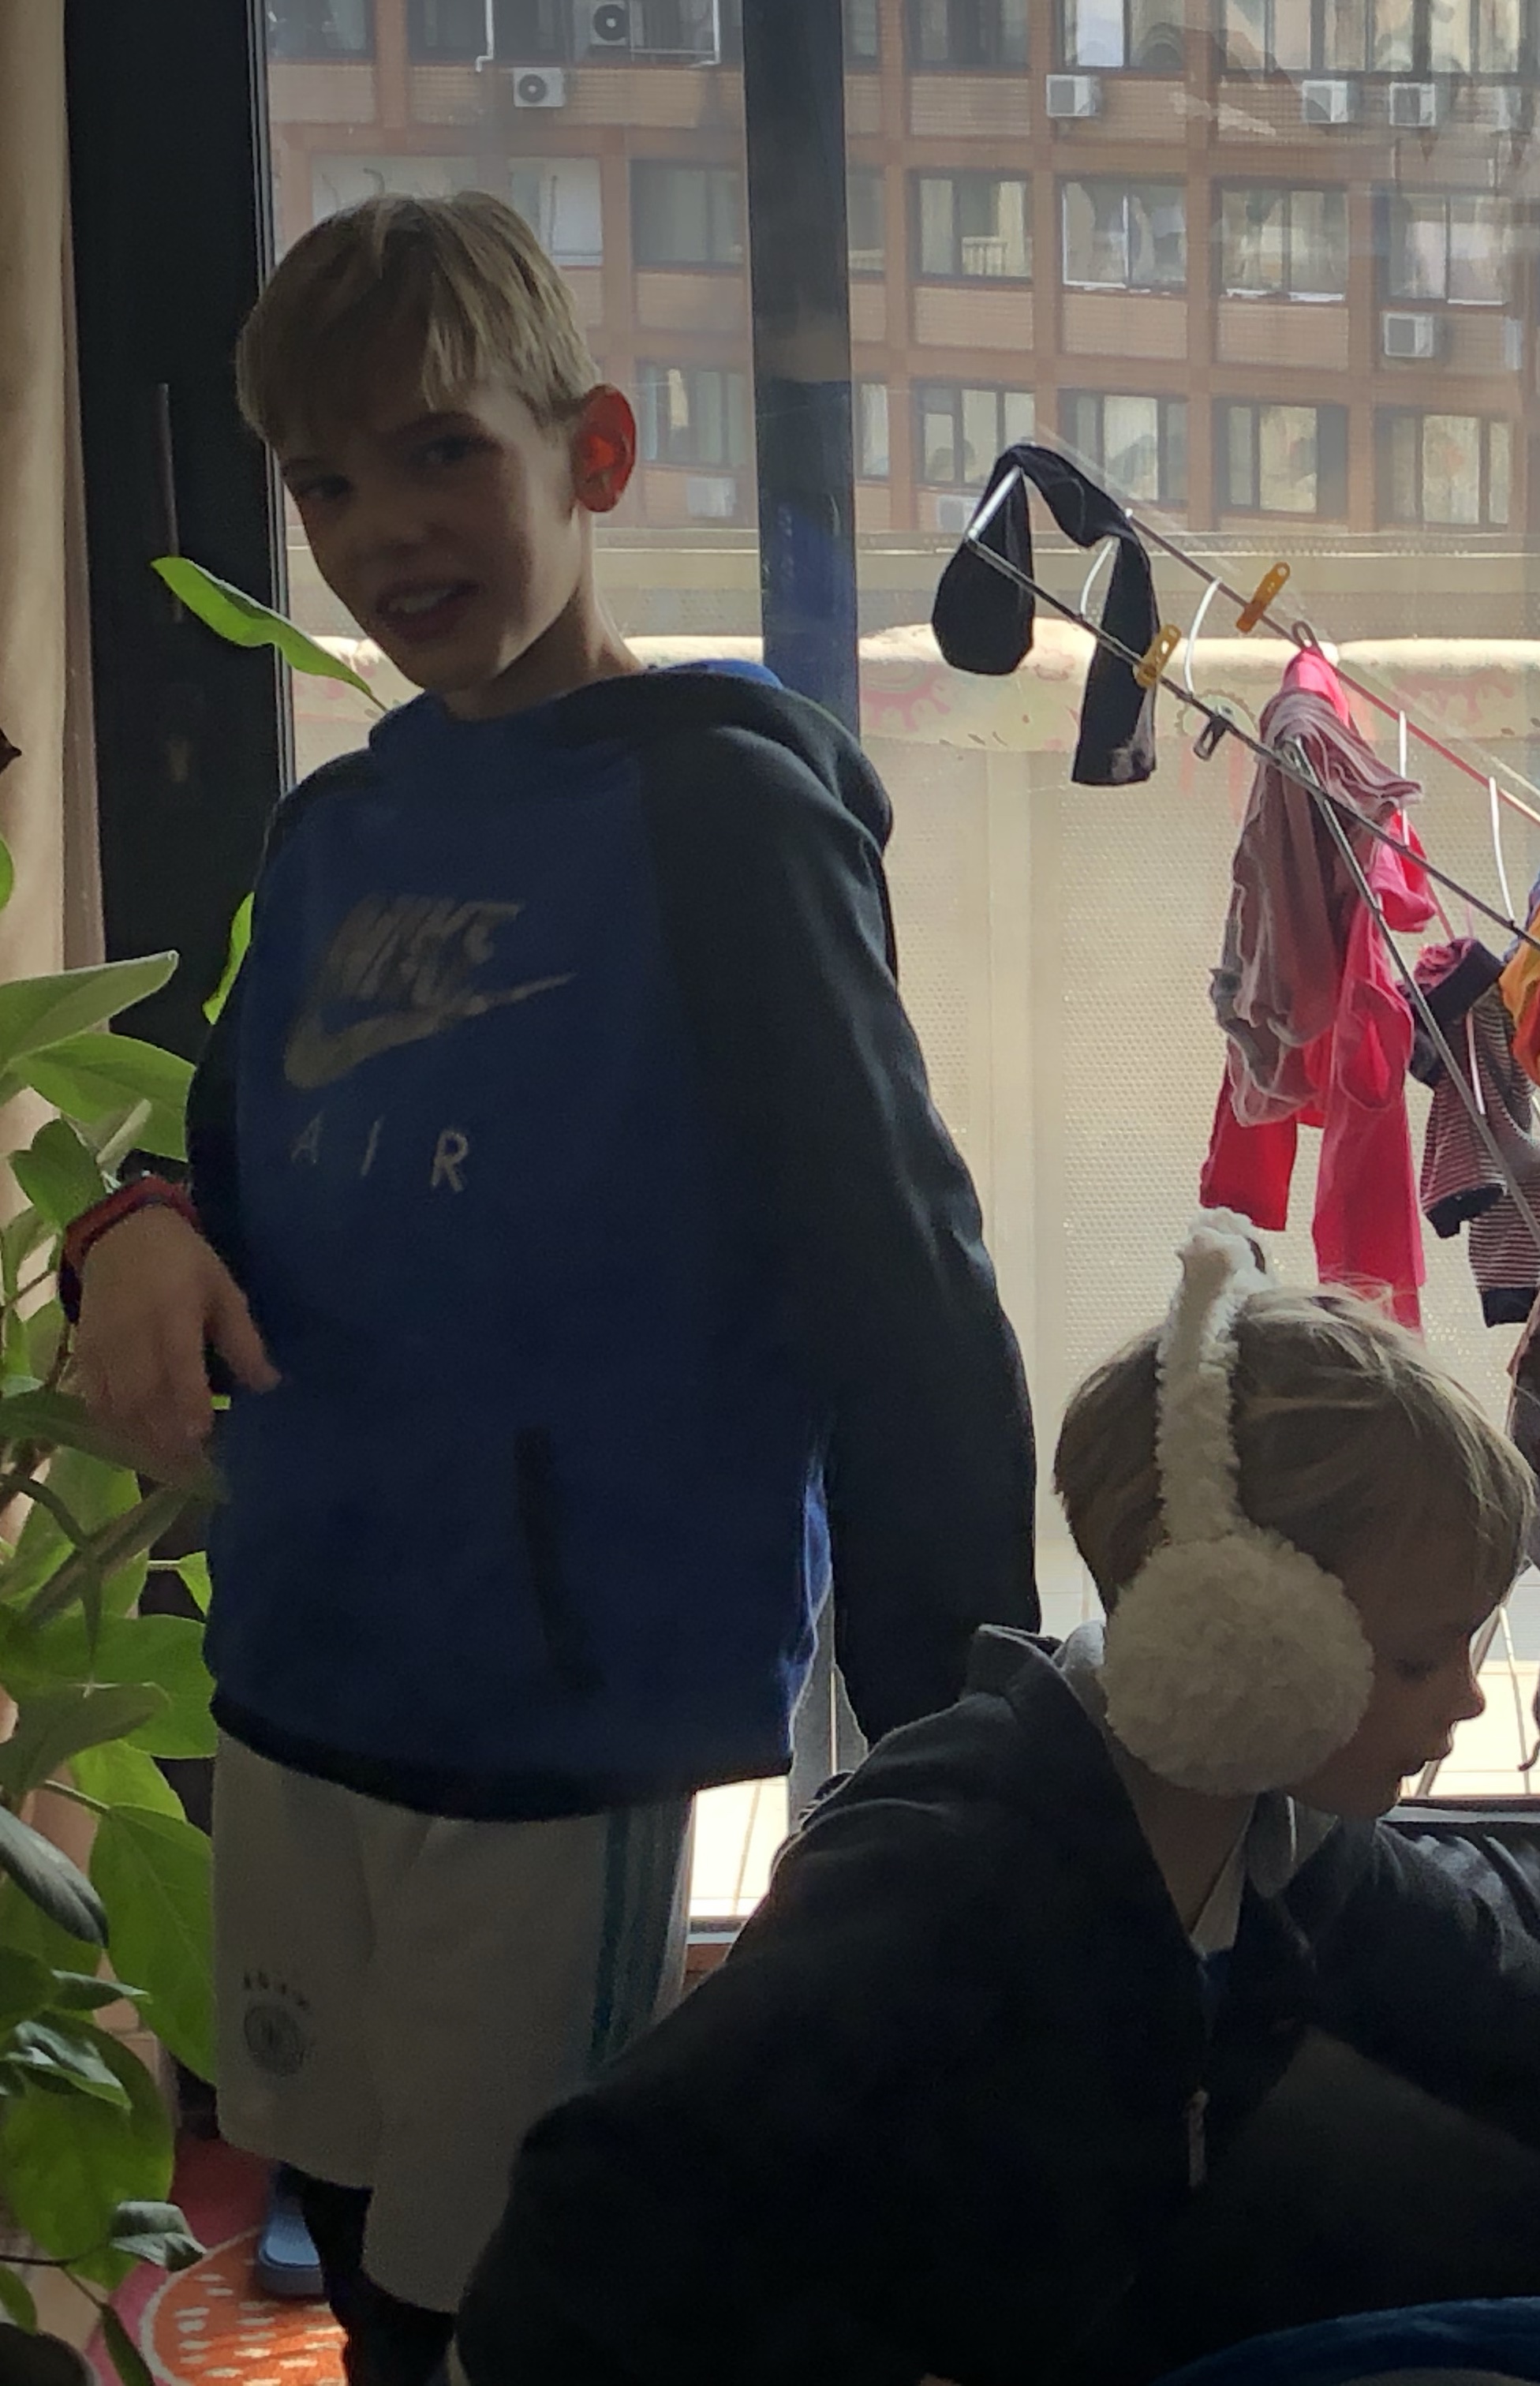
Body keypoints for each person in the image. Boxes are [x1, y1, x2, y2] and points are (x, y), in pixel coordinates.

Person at [63, 192, 1037, 2386]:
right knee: (337, 2225)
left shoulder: (728, 819)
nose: (381, 532)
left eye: (441, 453)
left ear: (593, 452)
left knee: (509, 2293)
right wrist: (124, 1234)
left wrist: (960, 1751)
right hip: (299, 1673)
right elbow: (215, 1169)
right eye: (326, 482)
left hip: (558, 1726)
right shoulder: (334, 837)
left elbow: (899, 1273)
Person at [447, 1216, 1540, 2386]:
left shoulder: (1285, 1857)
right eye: (1421, 1660)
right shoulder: (951, 1860)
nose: (1467, 1703)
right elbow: (584, 2218)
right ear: (1240, 1630)